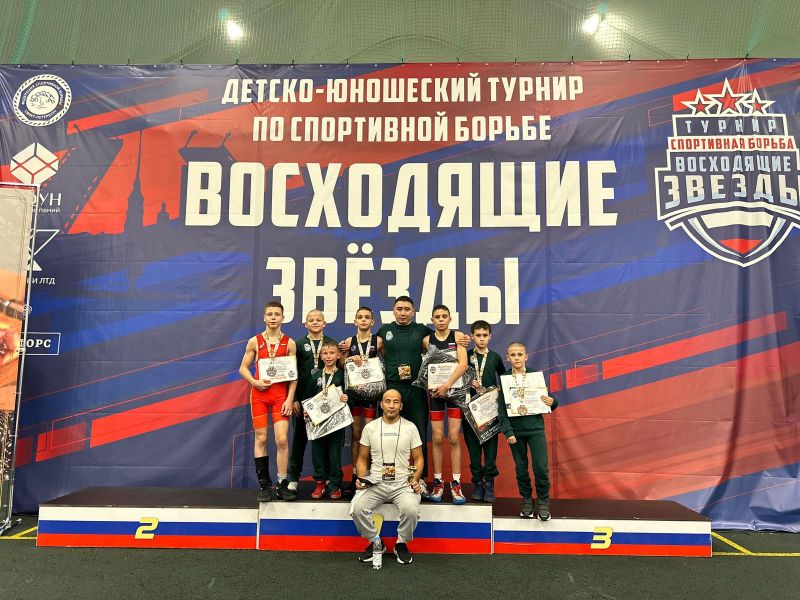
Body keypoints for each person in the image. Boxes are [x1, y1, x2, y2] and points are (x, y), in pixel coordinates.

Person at [375, 296, 469, 479]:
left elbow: (442, 342)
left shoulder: (423, 331)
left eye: (407, 309)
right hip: (392, 388)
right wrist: (349, 346)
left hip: (416, 389)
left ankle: (418, 478)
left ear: (413, 311)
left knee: (418, 434)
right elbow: (369, 347)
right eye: (399, 309)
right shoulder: (385, 330)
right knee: (388, 433)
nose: (403, 312)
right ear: (393, 310)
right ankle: (388, 478)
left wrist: (462, 339)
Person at [351, 389, 424, 565]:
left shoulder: (410, 427)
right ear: (382, 405)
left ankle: (401, 543)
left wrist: (414, 479)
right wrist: (361, 478)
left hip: (402, 483)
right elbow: (362, 458)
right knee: (358, 509)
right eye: (388, 401)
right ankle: (376, 542)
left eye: (396, 402)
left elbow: (419, 459)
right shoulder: (370, 428)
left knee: (411, 510)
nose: (391, 405)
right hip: (376, 482)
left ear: (401, 406)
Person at [238, 301, 297, 502]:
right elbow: (243, 368)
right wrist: (254, 382)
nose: (273, 317)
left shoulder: (289, 343)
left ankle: (282, 484)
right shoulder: (254, 341)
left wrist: (290, 398)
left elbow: (293, 375)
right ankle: (264, 485)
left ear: (283, 317)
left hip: (280, 396)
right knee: (261, 438)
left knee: (281, 439)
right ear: (264, 317)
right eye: (269, 314)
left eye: (277, 314)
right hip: (259, 395)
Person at [498, 341, 558, 520]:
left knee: (541, 467)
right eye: (513, 355)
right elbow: (501, 409)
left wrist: (553, 401)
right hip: (515, 432)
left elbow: (549, 398)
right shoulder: (504, 378)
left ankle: (543, 501)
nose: (516, 358)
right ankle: (526, 500)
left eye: (519, 354)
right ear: (508, 358)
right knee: (521, 469)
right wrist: (508, 431)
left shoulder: (535, 376)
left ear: (526, 357)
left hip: (535, 429)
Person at [287, 309, 338, 497]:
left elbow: (339, 369)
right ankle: (293, 478)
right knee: (298, 440)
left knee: (324, 442)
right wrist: (294, 399)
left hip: (324, 403)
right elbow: (292, 372)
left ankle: (327, 479)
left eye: (318, 320)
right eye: (311, 320)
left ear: (325, 323)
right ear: (305, 324)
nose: (315, 322)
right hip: (303, 401)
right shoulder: (298, 344)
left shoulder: (331, 343)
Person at [421, 305, 468, 504]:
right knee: (438, 437)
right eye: (437, 317)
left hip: (455, 391)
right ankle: (438, 482)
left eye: (444, 316)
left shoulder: (458, 336)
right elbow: (425, 365)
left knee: (455, 437)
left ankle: (456, 483)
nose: (441, 320)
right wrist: (431, 384)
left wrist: (447, 385)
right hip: (436, 394)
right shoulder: (427, 340)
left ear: (450, 318)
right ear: (432, 320)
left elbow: (463, 363)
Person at [340, 306, 384, 497]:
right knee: (356, 434)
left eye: (367, 317)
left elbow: (388, 362)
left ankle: (370, 475)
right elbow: (341, 363)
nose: (363, 320)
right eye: (360, 317)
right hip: (354, 394)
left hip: (372, 396)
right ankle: (356, 475)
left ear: (372, 322)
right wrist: (350, 358)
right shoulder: (349, 341)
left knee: (370, 435)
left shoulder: (378, 341)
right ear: (355, 321)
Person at [464, 320, 506, 503]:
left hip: (490, 412)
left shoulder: (495, 357)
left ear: (490, 336)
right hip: (470, 411)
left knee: (490, 450)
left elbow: (504, 379)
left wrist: (498, 391)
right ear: (472, 336)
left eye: (485, 335)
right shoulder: (465, 356)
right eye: (478, 335)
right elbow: (456, 378)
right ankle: (477, 483)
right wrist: (468, 381)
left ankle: (489, 483)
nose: (481, 339)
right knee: (474, 451)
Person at [304, 340, 349, 499]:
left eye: (332, 353)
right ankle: (320, 483)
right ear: (320, 356)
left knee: (334, 453)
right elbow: (308, 397)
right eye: (325, 353)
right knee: (318, 453)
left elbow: (349, 394)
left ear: (338, 355)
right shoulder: (315, 375)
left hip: (336, 422)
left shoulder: (342, 375)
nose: (328, 356)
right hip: (318, 422)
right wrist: (307, 410)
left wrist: (346, 398)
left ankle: (335, 484)